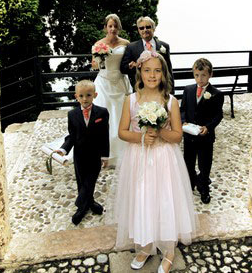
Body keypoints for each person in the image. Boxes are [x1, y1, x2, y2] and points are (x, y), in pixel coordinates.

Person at [114, 50, 196, 273]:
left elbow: (177, 135)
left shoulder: (171, 102)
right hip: (138, 158)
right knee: (143, 200)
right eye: (147, 70)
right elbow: (122, 132)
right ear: (139, 72)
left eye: (157, 71)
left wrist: (159, 132)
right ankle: (146, 246)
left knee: (164, 200)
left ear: (163, 73)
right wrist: (141, 136)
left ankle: (169, 250)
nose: (152, 75)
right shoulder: (130, 100)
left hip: (164, 158)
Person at [56, 80, 110, 225]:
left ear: (95, 95)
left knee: (90, 180)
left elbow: (105, 135)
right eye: (81, 95)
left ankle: (80, 204)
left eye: (88, 95)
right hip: (79, 155)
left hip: (95, 155)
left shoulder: (102, 113)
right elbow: (71, 136)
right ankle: (89, 203)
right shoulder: (72, 114)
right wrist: (63, 149)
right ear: (76, 96)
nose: (85, 99)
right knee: (82, 181)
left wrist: (105, 155)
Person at [180, 58, 224, 204]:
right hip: (189, 136)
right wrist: (183, 121)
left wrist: (209, 127)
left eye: (203, 75)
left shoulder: (216, 94)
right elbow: (183, 110)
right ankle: (191, 183)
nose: (200, 79)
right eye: (197, 75)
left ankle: (204, 187)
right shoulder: (188, 90)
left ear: (210, 75)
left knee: (205, 164)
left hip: (205, 138)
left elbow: (218, 115)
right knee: (188, 162)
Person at [91, 14, 132, 167]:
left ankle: (122, 153)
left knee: (122, 115)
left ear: (119, 27)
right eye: (110, 26)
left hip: (121, 82)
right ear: (105, 28)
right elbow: (94, 65)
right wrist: (99, 59)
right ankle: (103, 153)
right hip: (104, 83)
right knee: (103, 118)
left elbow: (127, 62)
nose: (113, 28)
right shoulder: (98, 44)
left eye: (115, 25)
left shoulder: (126, 44)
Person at [120, 16, 174, 92]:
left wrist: (171, 91)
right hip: (140, 89)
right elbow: (123, 68)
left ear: (153, 28)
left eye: (148, 27)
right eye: (141, 28)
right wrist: (132, 66)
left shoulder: (164, 46)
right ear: (138, 30)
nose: (145, 30)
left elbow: (168, 70)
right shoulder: (131, 47)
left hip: (161, 88)